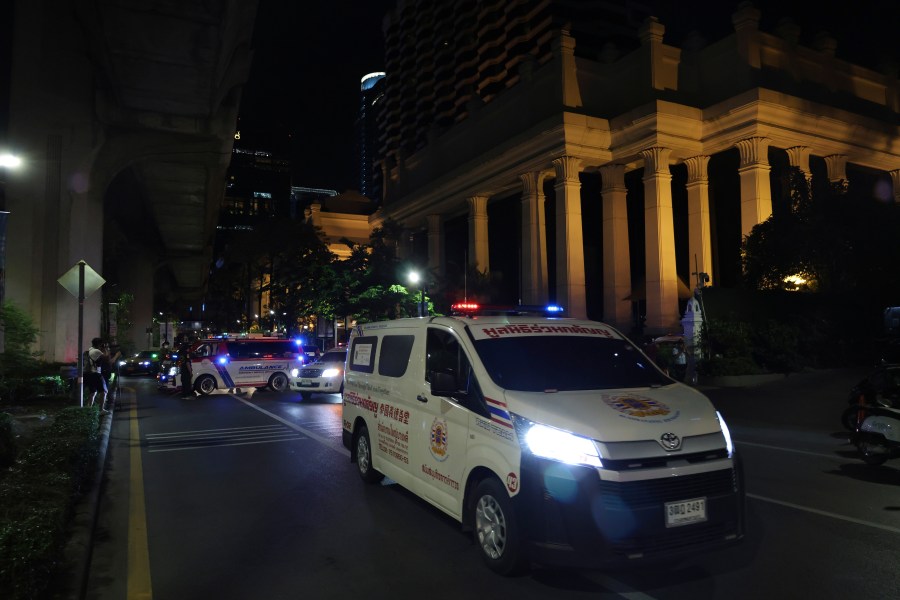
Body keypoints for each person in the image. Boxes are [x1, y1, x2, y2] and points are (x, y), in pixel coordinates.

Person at [86, 337, 118, 412]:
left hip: (90, 373)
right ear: (99, 344)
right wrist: (106, 349)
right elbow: (107, 358)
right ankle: (101, 410)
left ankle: (88, 409)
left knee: (93, 392)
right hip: (96, 373)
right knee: (104, 391)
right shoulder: (97, 351)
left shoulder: (91, 349)